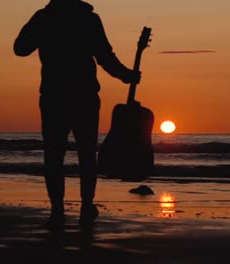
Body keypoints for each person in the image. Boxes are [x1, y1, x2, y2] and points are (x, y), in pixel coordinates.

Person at [13, 0, 140, 228]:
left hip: (54, 95)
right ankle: (85, 207)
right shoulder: (88, 19)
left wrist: (39, 23)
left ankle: (58, 211)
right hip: (83, 95)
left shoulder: (44, 18)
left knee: (53, 156)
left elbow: (20, 48)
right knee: (87, 154)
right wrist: (125, 75)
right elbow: (104, 56)